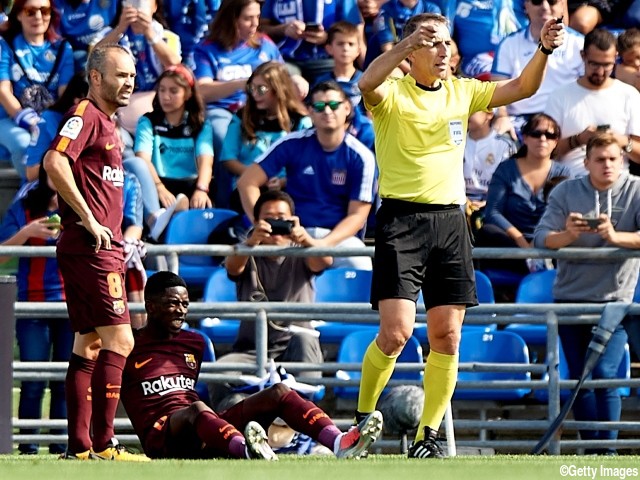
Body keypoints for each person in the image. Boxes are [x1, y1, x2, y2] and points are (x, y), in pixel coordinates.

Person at [355, 12, 564, 458]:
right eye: (432, 42)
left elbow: (522, 88)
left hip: (451, 222)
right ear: (411, 51)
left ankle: (425, 437)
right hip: (401, 220)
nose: (444, 51)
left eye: (447, 42)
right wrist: (407, 43)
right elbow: (366, 83)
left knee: (447, 336)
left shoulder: (463, 90)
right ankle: (361, 421)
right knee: (395, 334)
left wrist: (543, 48)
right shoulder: (391, 91)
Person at [121, 270, 384, 460]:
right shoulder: (126, 345)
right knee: (198, 408)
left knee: (279, 392)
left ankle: (339, 442)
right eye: (171, 303)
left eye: (185, 304)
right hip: (162, 439)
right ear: (151, 307)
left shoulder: (194, 343)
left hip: (204, 430)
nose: (180, 310)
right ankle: (247, 449)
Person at [42, 43, 148, 461]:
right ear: (97, 77)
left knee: (87, 345)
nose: (130, 83)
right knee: (120, 341)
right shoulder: (85, 114)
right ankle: (106, 444)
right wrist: (88, 217)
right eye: (121, 75)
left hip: (94, 247)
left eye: (134, 77)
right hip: (92, 247)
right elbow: (54, 161)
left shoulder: (106, 122)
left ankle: (80, 448)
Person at [533, 133, 640, 455]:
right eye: (600, 159)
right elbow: (541, 239)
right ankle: (593, 450)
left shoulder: (636, 188)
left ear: (622, 160)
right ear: (586, 163)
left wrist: (614, 236)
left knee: (605, 374)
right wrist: (568, 234)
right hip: (570, 297)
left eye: (613, 158)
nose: (607, 165)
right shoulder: (566, 190)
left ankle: (606, 451)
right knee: (581, 377)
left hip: (615, 301)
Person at [238, 80, 377, 271]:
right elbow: (247, 182)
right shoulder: (291, 143)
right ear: (310, 112)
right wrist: (261, 224)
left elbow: (357, 216)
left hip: (338, 238)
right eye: (319, 106)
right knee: (248, 260)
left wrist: (324, 244)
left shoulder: (362, 157)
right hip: (292, 234)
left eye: (334, 105)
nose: (327, 111)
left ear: (347, 108)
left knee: (359, 263)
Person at [210, 190, 331, 406]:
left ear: (294, 221)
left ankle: (303, 427)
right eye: (269, 219)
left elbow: (325, 261)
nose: (276, 225)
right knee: (219, 374)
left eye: (282, 219)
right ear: (256, 222)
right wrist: (251, 242)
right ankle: (231, 429)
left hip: (295, 346)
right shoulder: (247, 252)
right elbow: (233, 267)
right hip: (252, 350)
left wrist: (305, 239)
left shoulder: (304, 252)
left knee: (306, 341)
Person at [0, 166, 73, 455]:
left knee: (66, 380)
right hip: (33, 302)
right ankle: (26, 446)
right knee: (33, 379)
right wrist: (27, 233)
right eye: (52, 168)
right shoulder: (24, 205)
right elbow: (3, 252)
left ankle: (62, 445)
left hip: (72, 303)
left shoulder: (83, 205)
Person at [193, 0, 283, 208]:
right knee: (224, 137)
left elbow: (282, 76)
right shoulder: (208, 49)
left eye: (257, 17)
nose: (255, 24)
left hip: (261, 110)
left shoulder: (264, 44)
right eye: (247, 18)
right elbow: (202, 91)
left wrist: (297, 81)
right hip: (223, 111)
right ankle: (228, 206)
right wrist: (243, 84)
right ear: (231, 19)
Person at [125, 64, 212, 241]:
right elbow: (143, 159)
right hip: (158, 185)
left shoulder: (200, 124)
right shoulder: (148, 121)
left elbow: (206, 161)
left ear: (187, 94)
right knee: (133, 163)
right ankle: (155, 219)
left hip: (190, 186)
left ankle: (177, 215)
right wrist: (160, 188)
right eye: (162, 90)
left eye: (173, 91)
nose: (165, 96)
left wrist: (201, 189)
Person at [476, 114, 570, 276]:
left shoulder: (563, 172)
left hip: (549, 238)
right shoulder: (506, 169)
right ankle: (533, 264)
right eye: (536, 134)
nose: (542, 139)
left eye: (549, 135)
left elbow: (565, 212)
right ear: (525, 138)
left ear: (556, 142)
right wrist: (522, 243)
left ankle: (535, 264)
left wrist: (540, 240)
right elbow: (493, 212)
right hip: (511, 240)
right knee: (487, 231)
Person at [545, 28, 640, 178]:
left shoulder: (629, 95)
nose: (601, 72)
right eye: (594, 64)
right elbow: (545, 152)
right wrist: (578, 140)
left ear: (615, 58)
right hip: (573, 181)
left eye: (607, 65)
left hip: (619, 182)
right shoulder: (559, 96)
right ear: (583, 56)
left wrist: (619, 140)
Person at [220, 61, 311, 213]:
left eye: (261, 89)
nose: (255, 94)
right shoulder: (242, 117)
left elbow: (309, 164)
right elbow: (228, 159)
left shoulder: (301, 121)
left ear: (278, 88)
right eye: (252, 88)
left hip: (287, 189)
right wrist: (256, 176)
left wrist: (283, 181)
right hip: (248, 186)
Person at [0, 0, 74, 180]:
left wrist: (46, 124)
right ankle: (33, 194)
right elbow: (3, 91)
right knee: (24, 144)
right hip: (11, 119)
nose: (39, 17)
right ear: (18, 14)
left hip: (49, 117)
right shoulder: (6, 45)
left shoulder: (63, 49)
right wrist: (27, 120)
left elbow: (65, 96)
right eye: (30, 11)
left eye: (44, 10)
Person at [490, 0, 584, 140]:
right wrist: (502, 116)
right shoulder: (509, 44)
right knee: (496, 140)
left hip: (566, 121)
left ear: (562, 6)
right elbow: (497, 88)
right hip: (521, 122)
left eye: (552, 1)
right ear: (526, 6)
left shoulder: (579, 43)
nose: (545, 7)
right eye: (537, 1)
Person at [95, 0, 182, 135]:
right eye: (132, 2)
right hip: (117, 105)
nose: (137, 8)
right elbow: (94, 58)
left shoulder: (166, 36)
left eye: (142, 3)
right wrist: (120, 29)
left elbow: (174, 63)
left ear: (154, 7)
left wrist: (149, 33)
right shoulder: (107, 34)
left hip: (155, 106)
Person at [258, 0, 365, 83]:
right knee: (280, 81)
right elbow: (260, 27)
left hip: (326, 60)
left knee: (332, 93)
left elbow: (354, 31)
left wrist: (327, 38)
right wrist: (283, 29)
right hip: (286, 59)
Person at [24, 72, 89, 182]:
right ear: (78, 99)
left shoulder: (106, 123)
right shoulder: (47, 121)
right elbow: (31, 173)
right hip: (45, 188)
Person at [56, 0, 121, 71]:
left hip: (108, 45)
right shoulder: (58, 5)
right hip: (76, 52)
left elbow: (121, 27)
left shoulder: (116, 3)